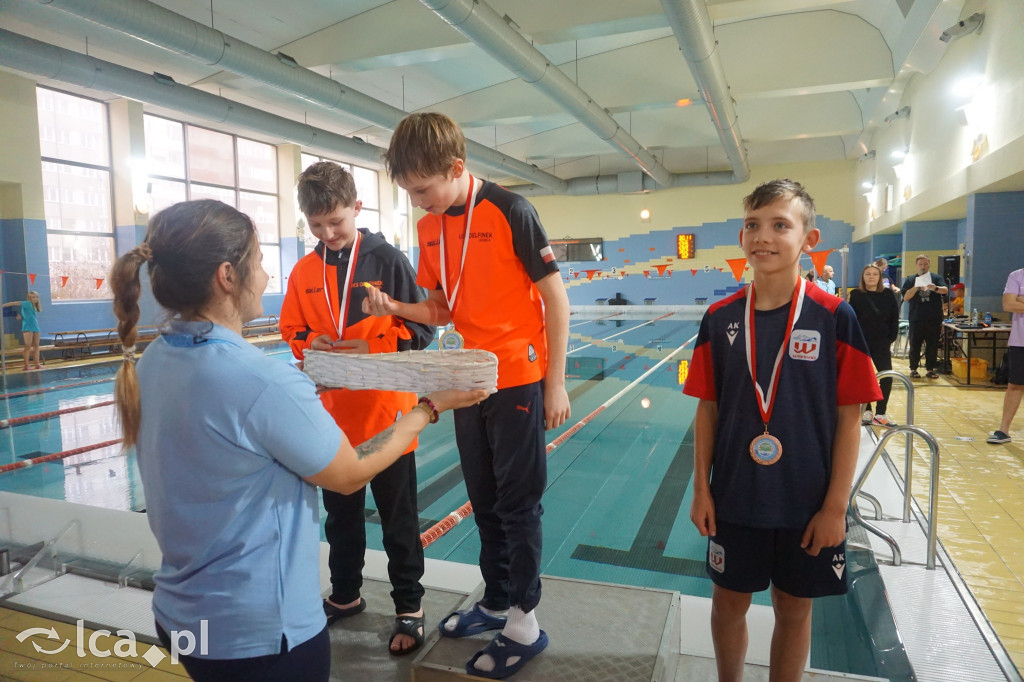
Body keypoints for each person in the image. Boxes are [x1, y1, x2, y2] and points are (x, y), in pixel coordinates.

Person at [110, 199, 485, 682]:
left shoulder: (154, 360)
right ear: (228, 275)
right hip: (261, 632)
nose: (266, 276)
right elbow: (349, 474)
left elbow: (232, 425)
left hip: (183, 618)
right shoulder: (260, 380)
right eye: (261, 262)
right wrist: (428, 408)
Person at [365, 112, 571, 679]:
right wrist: (396, 308)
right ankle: (496, 601)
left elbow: (556, 298)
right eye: (409, 192)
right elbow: (442, 308)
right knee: (482, 497)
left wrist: (556, 381)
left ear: (457, 168)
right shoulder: (431, 227)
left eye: (423, 190)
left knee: (518, 503)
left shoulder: (511, 212)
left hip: (521, 376)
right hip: (470, 378)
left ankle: (525, 622)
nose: (417, 202)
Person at [683, 179, 880, 682]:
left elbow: (849, 419)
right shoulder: (719, 317)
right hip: (735, 497)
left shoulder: (836, 316)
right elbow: (707, 409)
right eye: (752, 225)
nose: (762, 237)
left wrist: (836, 507)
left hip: (807, 501)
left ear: (808, 240)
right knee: (729, 604)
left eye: (779, 225)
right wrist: (701, 490)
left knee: (794, 610)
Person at [280, 161, 434, 656]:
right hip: (331, 418)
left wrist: (379, 345)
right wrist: (310, 341)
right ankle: (346, 596)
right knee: (340, 518)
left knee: (398, 519)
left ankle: (410, 605)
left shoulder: (389, 260)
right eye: (317, 226)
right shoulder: (305, 270)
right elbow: (290, 329)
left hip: (387, 414)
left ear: (357, 209)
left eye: (337, 223)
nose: (329, 234)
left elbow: (424, 330)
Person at [849, 264, 900, 427]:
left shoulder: (888, 295)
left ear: (880, 278)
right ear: (863, 278)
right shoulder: (856, 295)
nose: (871, 277)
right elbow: (852, 318)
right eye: (868, 274)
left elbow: (894, 318)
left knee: (886, 377)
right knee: (864, 377)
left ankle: (881, 413)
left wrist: (889, 339)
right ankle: (867, 410)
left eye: (874, 274)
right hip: (861, 342)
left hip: (881, 342)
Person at [988, 267, 1024, 444]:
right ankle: (1003, 430)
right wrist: (1016, 300)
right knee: (1015, 385)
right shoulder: (1017, 276)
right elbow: (1009, 304)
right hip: (1020, 341)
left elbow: (1016, 303)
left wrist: (1021, 300)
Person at [901, 254, 948, 379]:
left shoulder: (936, 277)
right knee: (915, 345)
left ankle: (930, 369)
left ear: (929, 265)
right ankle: (913, 369)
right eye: (920, 264)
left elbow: (945, 290)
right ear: (916, 265)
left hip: (934, 318)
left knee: (932, 345)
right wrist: (917, 285)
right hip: (917, 318)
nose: (923, 266)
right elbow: (905, 297)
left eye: (925, 264)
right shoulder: (911, 279)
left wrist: (935, 288)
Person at [2, 291, 43, 371]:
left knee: (36, 346)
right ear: (29, 298)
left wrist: (21, 316)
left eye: (36, 297)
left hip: (35, 327)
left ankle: (37, 364)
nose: (35, 299)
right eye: (33, 297)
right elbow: (14, 303)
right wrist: (3, 305)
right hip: (27, 327)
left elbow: (28, 315)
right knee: (27, 346)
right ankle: (26, 365)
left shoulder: (35, 306)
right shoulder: (27, 303)